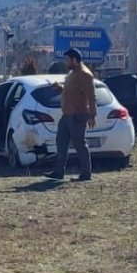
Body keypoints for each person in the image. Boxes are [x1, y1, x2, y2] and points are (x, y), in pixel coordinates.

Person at [43, 48, 96, 182]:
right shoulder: (72, 73)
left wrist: (91, 115)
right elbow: (72, 91)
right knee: (61, 142)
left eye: (67, 59)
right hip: (66, 115)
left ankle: (86, 174)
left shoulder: (85, 75)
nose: (65, 62)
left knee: (79, 144)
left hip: (78, 115)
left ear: (74, 60)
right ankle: (58, 171)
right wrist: (59, 88)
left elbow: (91, 96)